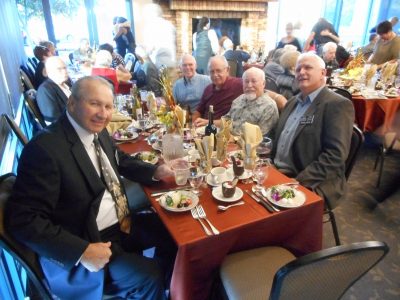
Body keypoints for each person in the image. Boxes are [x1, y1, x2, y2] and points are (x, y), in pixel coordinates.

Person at [6, 76, 175, 299]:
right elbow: (23, 220)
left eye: (107, 106)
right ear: (72, 103)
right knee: (148, 275)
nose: (103, 113)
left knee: (171, 231)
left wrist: (155, 171)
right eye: (94, 103)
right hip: (86, 241)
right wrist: (81, 252)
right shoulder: (45, 149)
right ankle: (147, 286)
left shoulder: (97, 131)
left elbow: (119, 159)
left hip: (121, 224)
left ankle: (160, 287)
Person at [273, 52, 354, 208]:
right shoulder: (291, 103)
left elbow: (335, 155)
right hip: (278, 173)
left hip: (311, 181)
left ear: (323, 73)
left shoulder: (336, 105)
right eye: (298, 69)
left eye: (308, 67)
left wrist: (298, 181)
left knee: (267, 211)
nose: (301, 72)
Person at [217, 67, 279, 135]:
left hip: (247, 145)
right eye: (246, 81)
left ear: (263, 83)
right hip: (226, 140)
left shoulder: (269, 107)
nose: (249, 85)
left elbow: (260, 138)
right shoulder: (239, 99)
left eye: (254, 81)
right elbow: (226, 120)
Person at [192, 55, 243, 127]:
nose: (215, 75)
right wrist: (194, 124)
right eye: (212, 72)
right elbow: (198, 111)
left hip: (223, 132)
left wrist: (208, 122)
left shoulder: (239, 85)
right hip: (204, 130)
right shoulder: (208, 89)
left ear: (227, 70)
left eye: (218, 71)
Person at [37, 56, 71, 123]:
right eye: (59, 69)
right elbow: (54, 121)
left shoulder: (66, 83)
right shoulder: (45, 90)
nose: (65, 71)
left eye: (65, 68)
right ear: (49, 71)